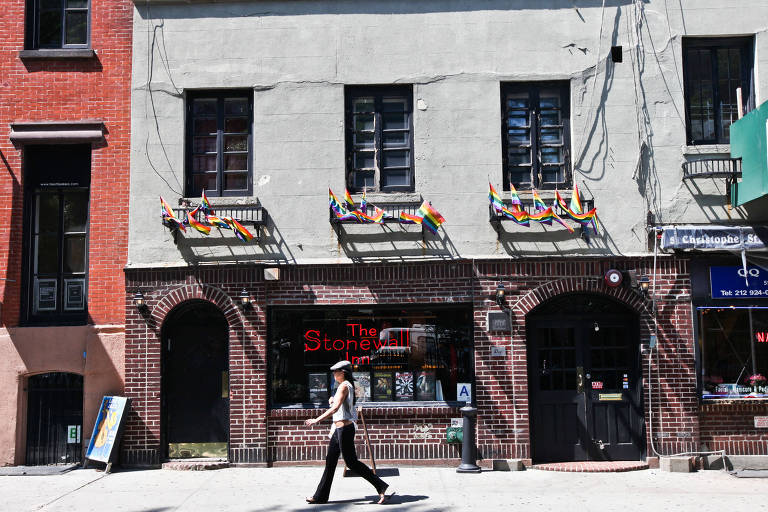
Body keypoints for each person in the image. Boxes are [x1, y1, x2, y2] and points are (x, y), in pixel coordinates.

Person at [304, 361, 394, 504]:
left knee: (352, 463)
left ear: (343, 372)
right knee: (330, 461)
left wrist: (316, 420)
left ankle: (380, 486)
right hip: (340, 429)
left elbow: (334, 409)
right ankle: (320, 496)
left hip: (344, 430)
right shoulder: (346, 386)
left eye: (336, 371)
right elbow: (341, 405)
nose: (333, 374)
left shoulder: (344, 386)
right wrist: (333, 400)